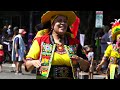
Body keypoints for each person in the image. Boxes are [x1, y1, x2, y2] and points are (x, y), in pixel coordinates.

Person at [24, 11, 90, 79]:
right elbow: (27, 66)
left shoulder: (75, 42)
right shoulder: (40, 41)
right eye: (59, 21)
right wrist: (32, 62)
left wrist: (80, 60)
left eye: (65, 21)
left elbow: (87, 67)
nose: (63, 23)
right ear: (52, 24)